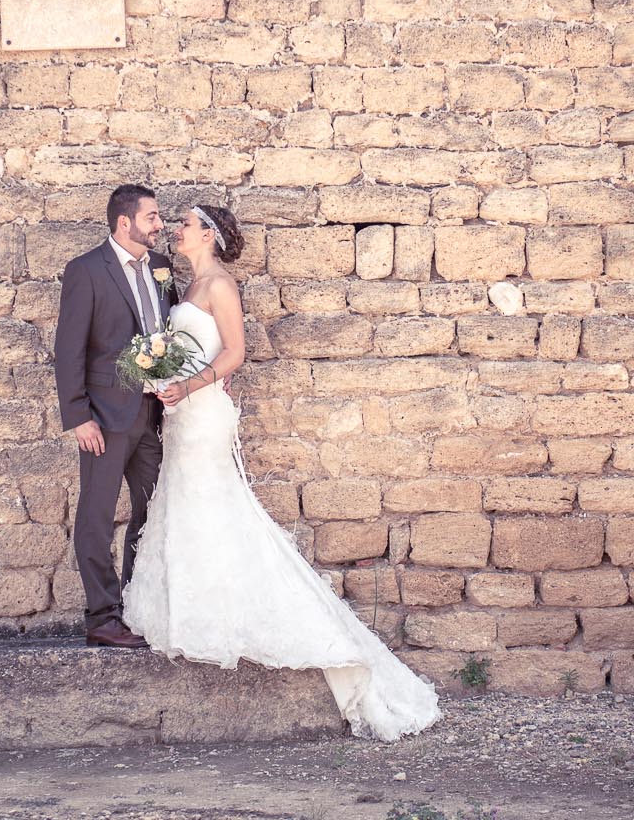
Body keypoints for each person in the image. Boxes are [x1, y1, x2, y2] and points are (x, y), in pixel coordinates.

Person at [122, 205, 442, 742]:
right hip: (181, 413)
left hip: (203, 411)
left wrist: (188, 385)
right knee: (187, 504)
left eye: (185, 225)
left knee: (212, 504)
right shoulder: (187, 283)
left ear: (209, 236)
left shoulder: (220, 284)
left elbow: (237, 354)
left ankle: (246, 617)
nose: (175, 231)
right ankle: (196, 608)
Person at [53, 184, 178, 649]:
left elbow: (168, 331)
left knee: (151, 512)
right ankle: (101, 617)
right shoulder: (86, 270)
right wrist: (78, 416)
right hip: (104, 418)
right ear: (124, 223)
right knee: (97, 517)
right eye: (152, 217)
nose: (159, 225)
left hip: (152, 415)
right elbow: (68, 349)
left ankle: (135, 604)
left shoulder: (162, 268)